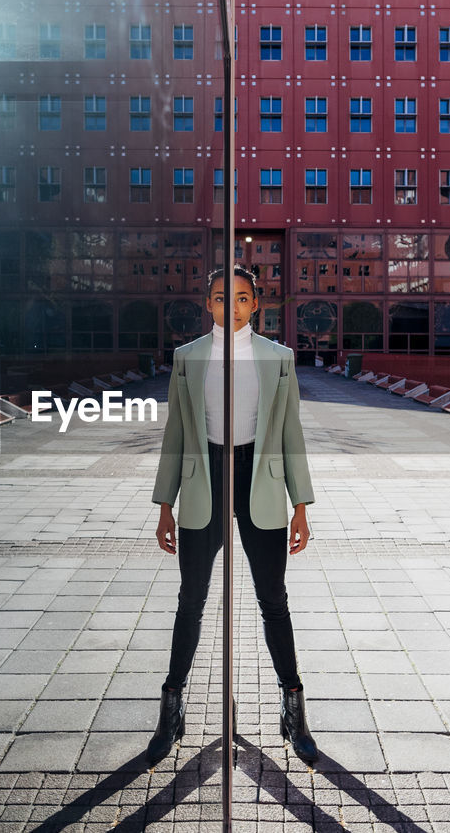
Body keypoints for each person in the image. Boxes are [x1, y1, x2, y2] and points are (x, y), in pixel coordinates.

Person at [148, 264, 319, 766]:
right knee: (191, 600)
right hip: (204, 482)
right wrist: (164, 506)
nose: (233, 306)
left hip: (259, 484)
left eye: (242, 297)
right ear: (210, 303)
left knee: (274, 601)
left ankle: (294, 708)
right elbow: (175, 435)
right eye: (223, 297)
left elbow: (291, 435)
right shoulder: (188, 358)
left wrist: (301, 507)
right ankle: (171, 706)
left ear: (255, 304)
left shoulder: (279, 358)